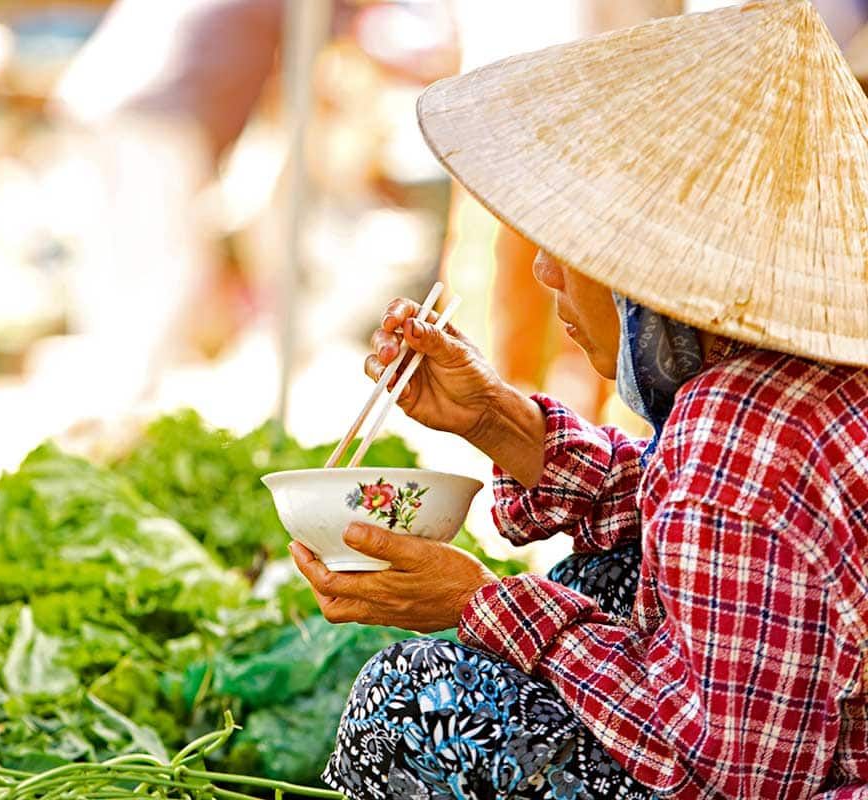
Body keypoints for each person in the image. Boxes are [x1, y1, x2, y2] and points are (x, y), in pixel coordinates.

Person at [288, 2, 868, 798]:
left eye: (576, 248)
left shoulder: (736, 424)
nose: (546, 274)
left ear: (655, 276)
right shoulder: (796, 372)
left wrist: (478, 602)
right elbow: (693, 517)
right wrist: (496, 419)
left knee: (411, 705)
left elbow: (730, 777)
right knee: (606, 577)